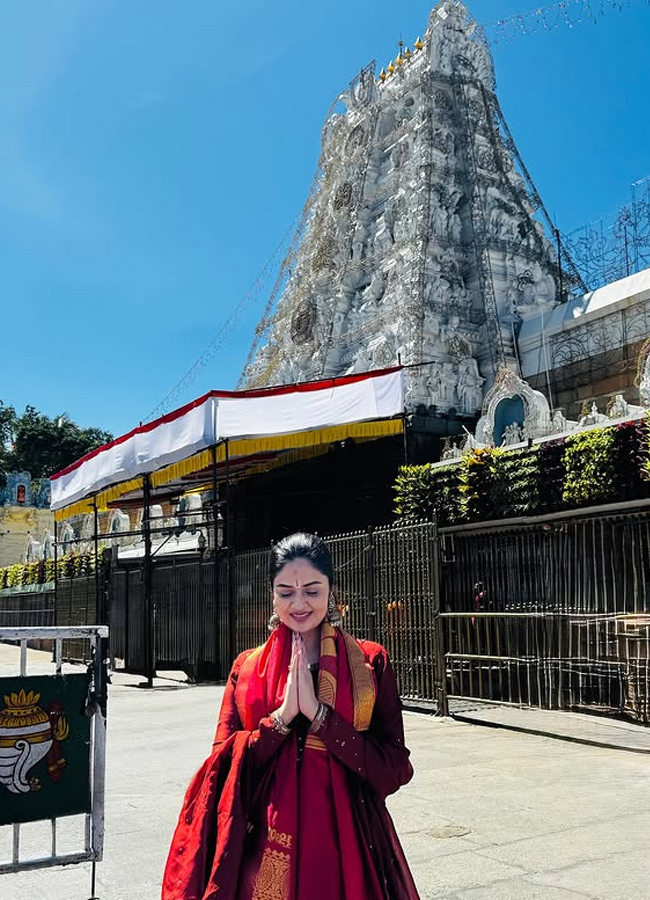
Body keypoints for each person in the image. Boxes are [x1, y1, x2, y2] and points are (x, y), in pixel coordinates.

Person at [162, 532, 421, 900]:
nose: (299, 603)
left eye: (312, 590)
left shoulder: (369, 662)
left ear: (332, 590)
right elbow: (222, 768)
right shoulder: (246, 669)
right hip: (263, 839)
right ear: (272, 594)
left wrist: (322, 720)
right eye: (286, 592)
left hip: (348, 840)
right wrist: (279, 721)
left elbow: (395, 766)